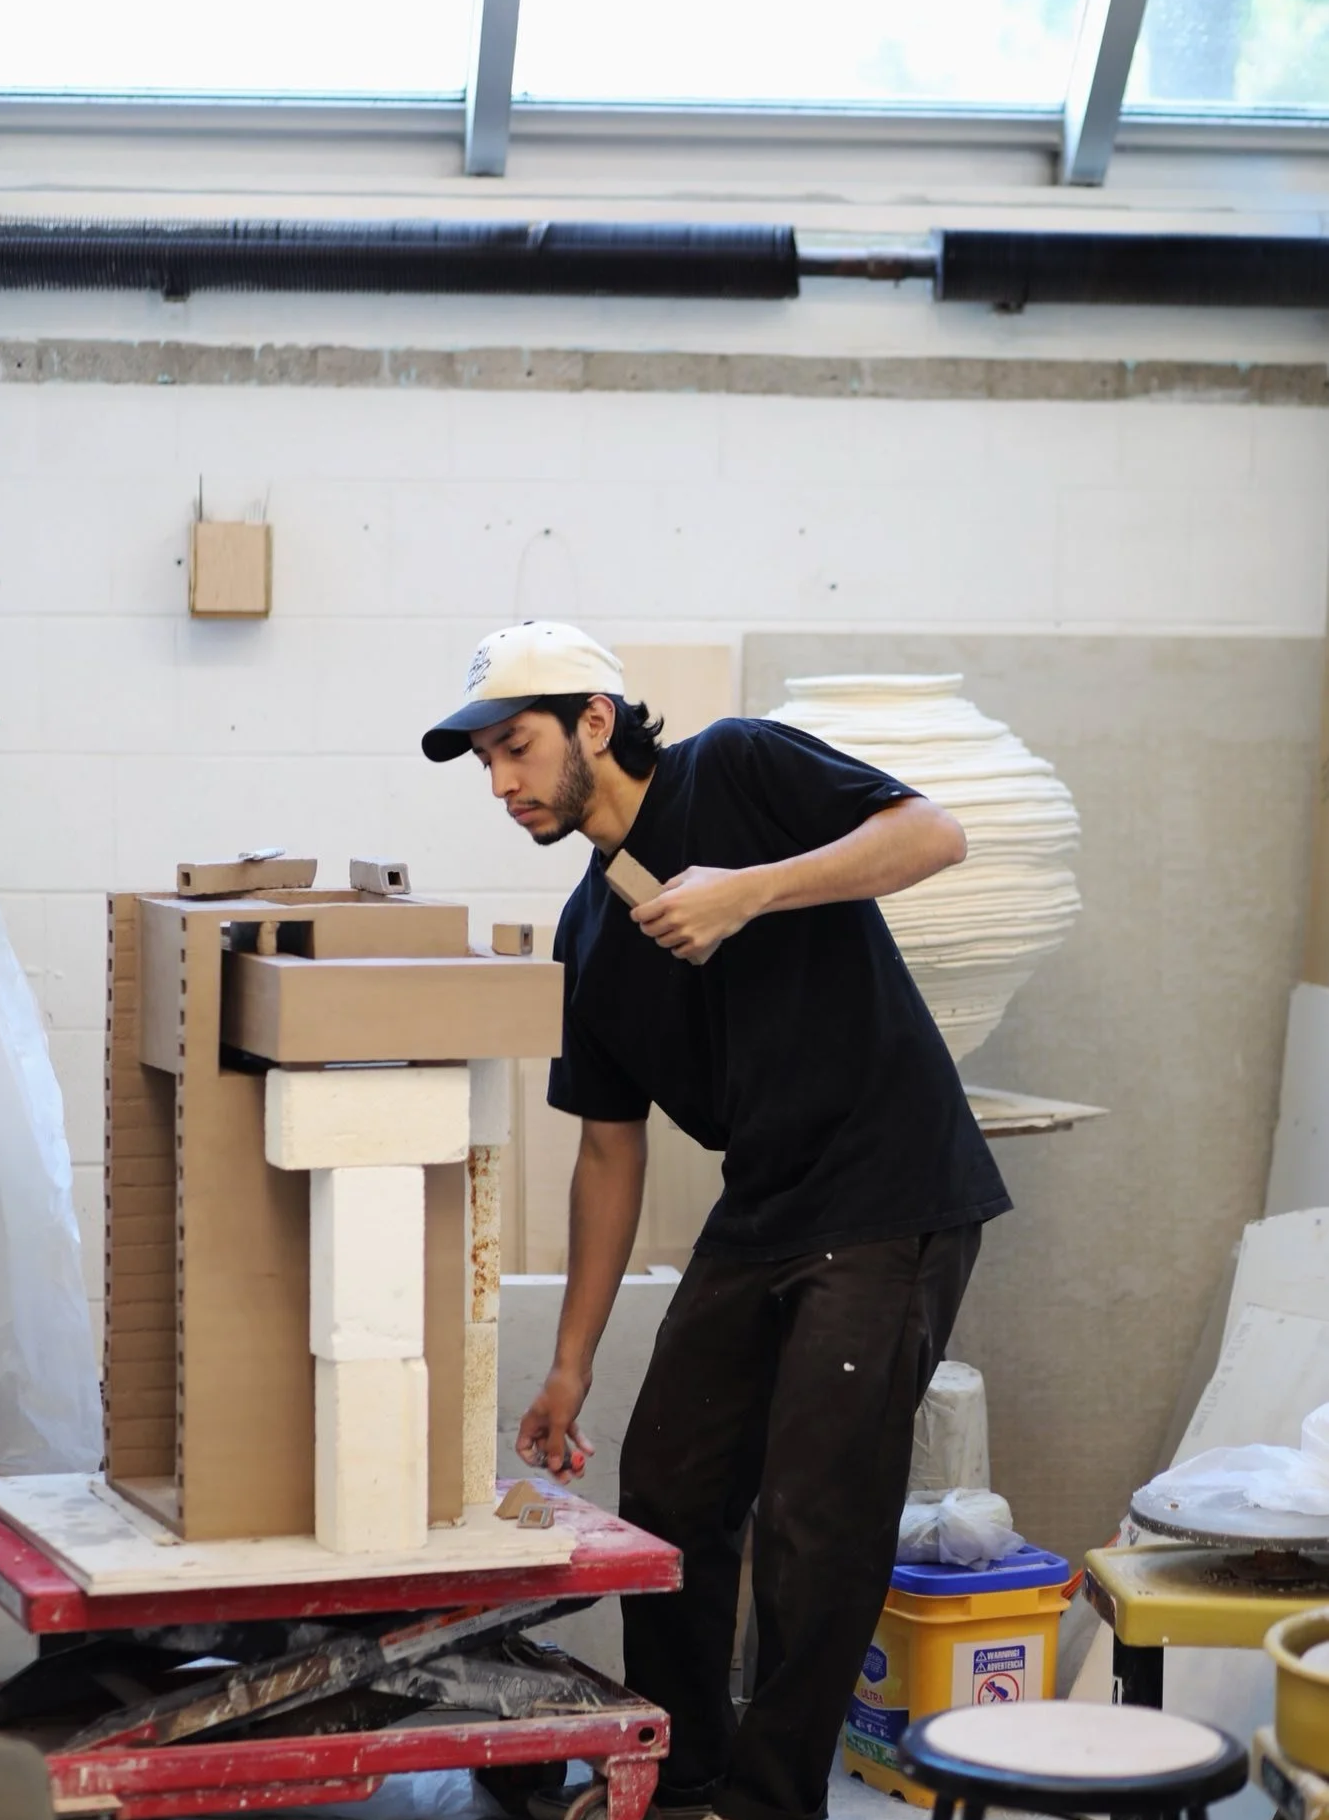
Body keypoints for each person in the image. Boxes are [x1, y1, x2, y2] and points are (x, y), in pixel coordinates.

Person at [423, 622, 1011, 1820]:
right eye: (485, 761)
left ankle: (770, 1800)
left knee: (813, 1516)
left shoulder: (736, 765)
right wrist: (570, 1364)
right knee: (670, 1489)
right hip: (765, 1206)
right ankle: (681, 1775)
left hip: (890, 1185)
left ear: (595, 721)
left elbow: (933, 833)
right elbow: (607, 1148)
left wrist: (747, 889)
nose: (500, 783)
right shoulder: (589, 932)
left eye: (517, 747)